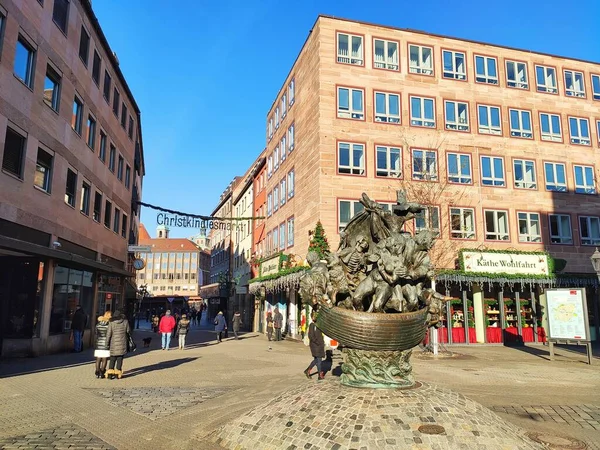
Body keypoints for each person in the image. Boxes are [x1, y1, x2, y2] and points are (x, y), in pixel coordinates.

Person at [105, 310, 130, 380]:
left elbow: (108, 334)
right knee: (120, 359)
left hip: (113, 343)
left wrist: (107, 344)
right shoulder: (125, 322)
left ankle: (110, 374)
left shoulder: (111, 322)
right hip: (122, 343)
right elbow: (128, 331)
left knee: (112, 359)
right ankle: (117, 374)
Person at [304, 311, 325, 380]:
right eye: (314, 317)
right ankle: (320, 375)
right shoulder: (312, 325)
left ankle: (307, 370)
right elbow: (311, 336)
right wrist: (318, 342)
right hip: (315, 345)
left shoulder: (318, 325)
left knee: (316, 360)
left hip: (319, 345)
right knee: (319, 360)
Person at [94, 311, 111, 378]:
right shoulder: (109, 325)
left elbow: (96, 333)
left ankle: (97, 372)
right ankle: (102, 372)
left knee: (98, 359)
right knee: (104, 359)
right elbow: (110, 335)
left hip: (99, 343)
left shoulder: (98, 325)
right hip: (106, 343)